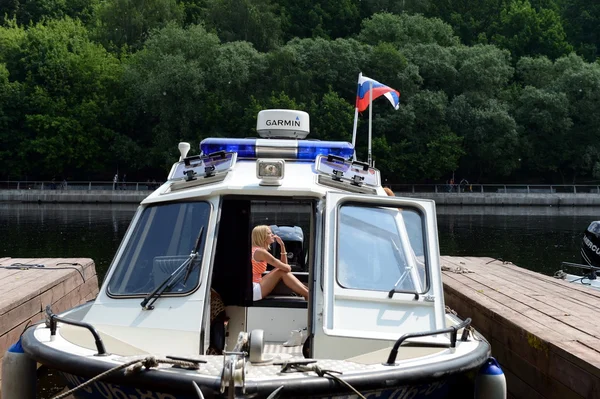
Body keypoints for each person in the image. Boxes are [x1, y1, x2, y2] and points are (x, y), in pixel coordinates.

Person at [251, 225, 309, 300]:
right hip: (253, 290)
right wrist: (286, 267)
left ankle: (307, 292)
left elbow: (284, 266)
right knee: (280, 271)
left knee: (281, 270)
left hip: (253, 287)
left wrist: (282, 246)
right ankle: (307, 293)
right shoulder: (260, 252)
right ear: (262, 236)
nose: (272, 235)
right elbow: (286, 268)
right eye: (269, 233)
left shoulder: (255, 250)